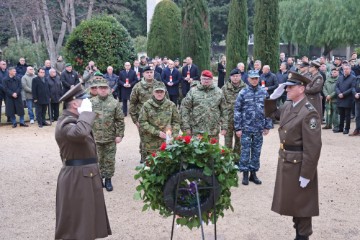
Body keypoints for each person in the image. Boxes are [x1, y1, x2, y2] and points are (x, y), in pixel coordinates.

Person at [266, 71, 321, 240]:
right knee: (292, 202)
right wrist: (272, 98)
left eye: (290, 87)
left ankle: (303, 236)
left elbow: (313, 147)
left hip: (299, 163)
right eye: (286, 86)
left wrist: (306, 175)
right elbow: (273, 114)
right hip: (286, 160)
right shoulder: (290, 105)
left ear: (301, 89)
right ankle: (298, 233)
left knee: (303, 204)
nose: (287, 89)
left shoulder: (309, 112)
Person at [54, 83, 112, 239]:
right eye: (84, 101)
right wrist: (86, 113)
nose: (89, 103)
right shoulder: (66, 122)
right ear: (74, 104)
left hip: (85, 175)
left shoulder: (75, 120)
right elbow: (80, 134)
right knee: (76, 223)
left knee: (87, 220)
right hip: (77, 178)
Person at [234, 70, 272, 185]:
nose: (254, 80)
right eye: (252, 78)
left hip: (259, 128)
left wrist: (267, 126)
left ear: (258, 79)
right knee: (245, 151)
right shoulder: (243, 92)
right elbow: (237, 110)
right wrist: (238, 128)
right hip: (246, 128)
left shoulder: (264, 93)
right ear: (248, 79)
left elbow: (268, 110)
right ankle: (245, 174)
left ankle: (253, 174)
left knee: (256, 152)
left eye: (256, 78)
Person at [91, 75, 125, 191]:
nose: (103, 90)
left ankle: (108, 179)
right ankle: (99, 178)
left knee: (109, 159)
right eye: (101, 88)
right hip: (95, 137)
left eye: (105, 88)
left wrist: (119, 135)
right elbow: (85, 120)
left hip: (110, 137)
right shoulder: (91, 102)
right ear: (97, 89)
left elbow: (120, 120)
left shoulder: (114, 103)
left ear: (109, 89)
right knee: (97, 159)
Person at [129, 66, 168, 163]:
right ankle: (144, 160)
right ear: (143, 74)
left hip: (159, 119)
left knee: (160, 139)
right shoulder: (138, 86)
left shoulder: (160, 85)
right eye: (147, 72)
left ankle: (160, 159)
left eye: (151, 72)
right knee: (144, 140)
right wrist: (135, 120)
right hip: (144, 119)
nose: (149, 74)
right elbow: (132, 103)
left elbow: (167, 101)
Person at [180, 70, 228, 139]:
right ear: (200, 79)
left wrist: (224, 127)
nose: (206, 81)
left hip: (213, 131)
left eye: (208, 79)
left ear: (212, 80)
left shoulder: (219, 92)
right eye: (204, 79)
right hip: (197, 131)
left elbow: (224, 110)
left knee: (213, 150)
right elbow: (185, 109)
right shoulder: (193, 92)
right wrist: (186, 126)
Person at [139, 86, 181, 155]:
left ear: (165, 93)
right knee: (150, 163)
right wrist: (157, 132)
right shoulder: (147, 105)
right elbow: (142, 122)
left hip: (167, 141)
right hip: (151, 142)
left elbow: (176, 121)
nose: (159, 94)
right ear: (153, 93)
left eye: (161, 92)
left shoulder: (171, 105)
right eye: (157, 92)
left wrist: (173, 134)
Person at [221, 69, 246, 154]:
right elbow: (221, 104)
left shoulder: (245, 88)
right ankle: (227, 161)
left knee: (239, 142)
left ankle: (237, 160)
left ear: (240, 76)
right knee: (227, 142)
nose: (235, 78)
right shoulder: (224, 88)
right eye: (233, 76)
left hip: (241, 119)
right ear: (230, 77)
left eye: (237, 76)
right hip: (228, 119)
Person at [335, 64, 356, 134]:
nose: (345, 70)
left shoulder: (353, 78)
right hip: (340, 98)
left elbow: (352, 88)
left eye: (347, 69)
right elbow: (336, 87)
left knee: (347, 115)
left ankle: (347, 128)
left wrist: (343, 94)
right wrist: (339, 93)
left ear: (350, 70)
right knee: (341, 114)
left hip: (348, 99)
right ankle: (340, 128)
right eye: (344, 69)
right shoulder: (340, 77)